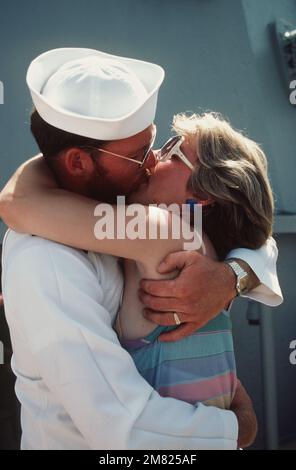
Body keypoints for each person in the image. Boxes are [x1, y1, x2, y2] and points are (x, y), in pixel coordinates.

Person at [0, 48, 281, 449]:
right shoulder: (47, 259)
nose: (151, 162)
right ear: (79, 162)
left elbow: (260, 239)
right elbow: (124, 428)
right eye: (136, 154)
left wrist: (231, 277)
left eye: (160, 145)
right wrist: (239, 430)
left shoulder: (145, 223)